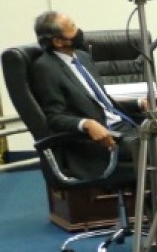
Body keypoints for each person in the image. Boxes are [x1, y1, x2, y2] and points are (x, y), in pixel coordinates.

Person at [26, 10, 148, 180]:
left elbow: (101, 102)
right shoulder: (46, 68)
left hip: (124, 126)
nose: (79, 31)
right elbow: (55, 117)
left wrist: (138, 103)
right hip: (101, 141)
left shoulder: (82, 57)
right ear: (58, 41)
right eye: (72, 28)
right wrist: (86, 123)